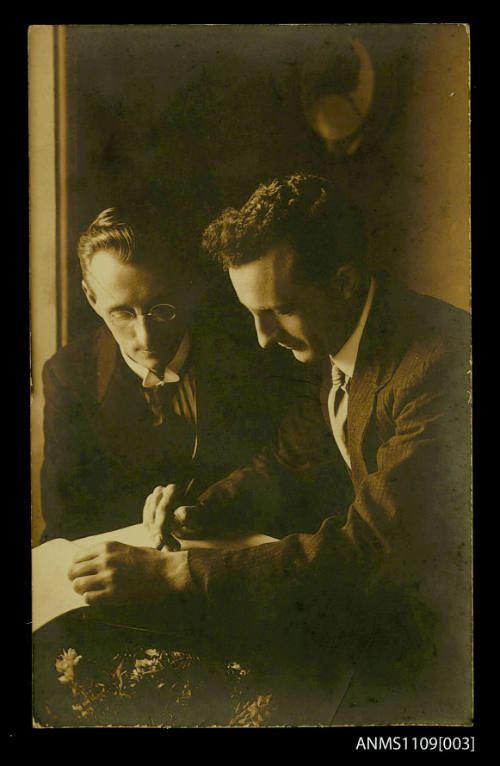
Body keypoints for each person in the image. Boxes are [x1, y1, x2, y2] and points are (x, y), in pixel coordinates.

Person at [67, 176, 471, 723]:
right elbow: (286, 459)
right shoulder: (342, 332)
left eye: (278, 311)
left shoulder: (439, 362)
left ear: (345, 281)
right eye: (250, 313)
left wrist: (178, 574)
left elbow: (373, 546)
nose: (261, 337)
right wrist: (202, 510)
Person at [40, 204, 292, 543]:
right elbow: (67, 521)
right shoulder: (67, 375)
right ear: (91, 298)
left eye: (162, 310)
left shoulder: (251, 345)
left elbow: (283, 467)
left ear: (186, 288)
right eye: (122, 314)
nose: (146, 338)